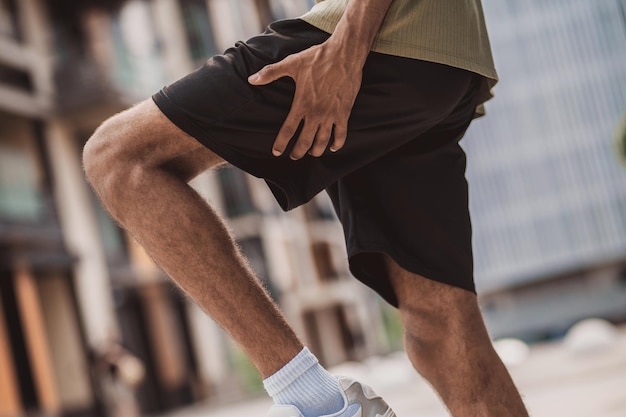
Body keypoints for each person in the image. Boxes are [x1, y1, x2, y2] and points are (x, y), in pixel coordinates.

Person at [83, 0, 530, 416]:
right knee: (441, 327)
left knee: (118, 156)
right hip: (444, 57)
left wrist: (347, 50)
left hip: (382, 36)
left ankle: (315, 403)